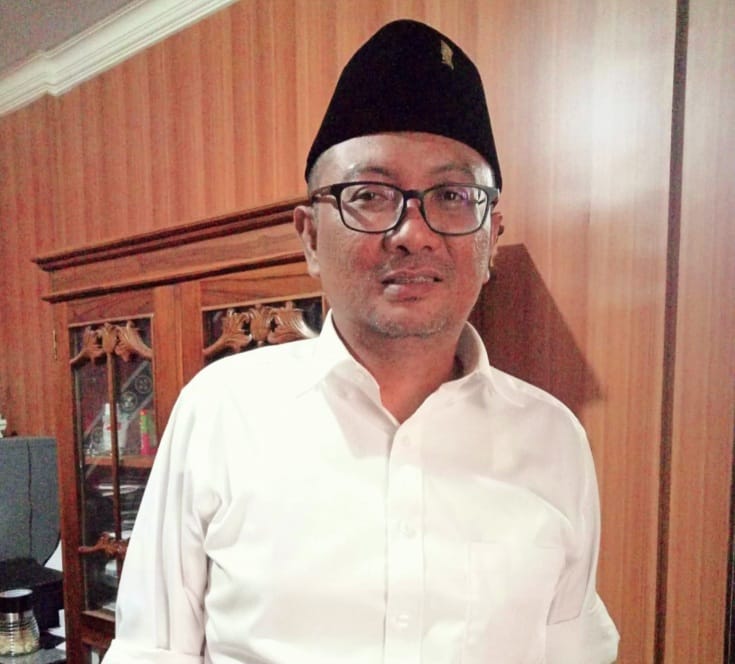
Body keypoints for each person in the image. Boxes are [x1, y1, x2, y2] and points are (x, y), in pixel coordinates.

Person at [103, 19, 619, 664]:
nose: (413, 233)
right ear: (310, 236)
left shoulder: (554, 440)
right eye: (370, 195)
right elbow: (152, 650)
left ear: (492, 239)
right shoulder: (222, 412)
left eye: (453, 195)